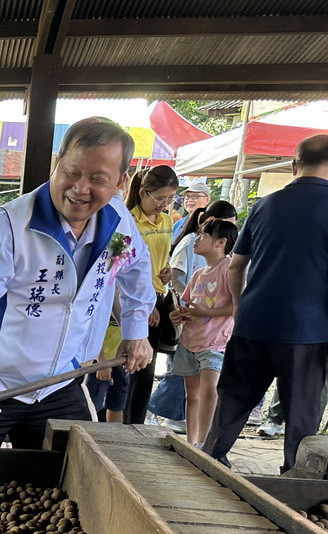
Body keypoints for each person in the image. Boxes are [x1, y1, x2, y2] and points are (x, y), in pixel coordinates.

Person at [0, 117, 155, 448]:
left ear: (121, 181)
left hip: (59, 382)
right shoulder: (11, 224)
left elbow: (134, 266)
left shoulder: (118, 224)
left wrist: (136, 331)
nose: (80, 189)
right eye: (71, 172)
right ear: (57, 163)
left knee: (71, 479)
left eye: (98, 179)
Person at [204, 135, 328, 472]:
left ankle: (210, 461)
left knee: (233, 399)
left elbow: (236, 264)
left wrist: (241, 306)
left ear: (293, 166)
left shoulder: (264, 204)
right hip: (308, 328)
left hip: (253, 321)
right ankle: (295, 481)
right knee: (301, 414)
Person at [169, 218, 238, 448]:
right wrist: (178, 314)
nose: (196, 240)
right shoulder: (199, 273)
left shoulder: (229, 268)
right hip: (190, 339)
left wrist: (206, 311)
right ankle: (192, 443)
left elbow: (237, 307)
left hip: (215, 342)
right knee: (193, 395)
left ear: (221, 242)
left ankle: (204, 444)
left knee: (209, 391)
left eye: (202, 236)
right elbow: (187, 304)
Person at [122, 164, 180, 425]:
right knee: (127, 367)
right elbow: (120, 267)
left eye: (170, 199)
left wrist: (166, 270)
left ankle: (136, 423)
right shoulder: (128, 220)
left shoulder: (168, 221)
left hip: (158, 295)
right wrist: (146, 305)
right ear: (144, 191)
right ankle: (119, 421)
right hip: (131, 300)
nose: (164, 204)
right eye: (160, 198)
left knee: (146, 365)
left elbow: (160, 257)